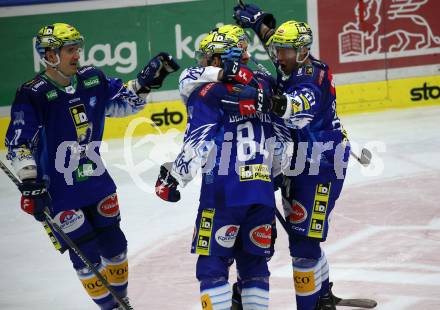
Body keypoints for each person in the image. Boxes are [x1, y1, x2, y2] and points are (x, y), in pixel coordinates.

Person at [5, 22, 179, 310]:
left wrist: (145, 84)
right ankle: (110, 309)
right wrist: (30, 183)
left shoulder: (91, 79)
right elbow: (18, 142)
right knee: (84, 255)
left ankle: (121, 301)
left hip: (96, 180)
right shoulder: (32, 94)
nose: (77, 55)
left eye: (77, 49)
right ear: (50, 55)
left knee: (115, 245)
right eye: (70, 50)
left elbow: (123, 104)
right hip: (58, 191)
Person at [228, 4, 351, 310]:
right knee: (303, 237)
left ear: (303, 51)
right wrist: (258, 25)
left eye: (284, 51)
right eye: (278, 50)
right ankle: (321, 296)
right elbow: (274, 45)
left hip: (323, 165)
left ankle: (313, 304)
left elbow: (296, 110)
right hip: (298, 164)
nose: (277, 56)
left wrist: (267, 100)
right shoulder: (292, 61)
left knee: (303, 245)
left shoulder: (312, 76)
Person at [155, 29, 289, 310]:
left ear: (218, 58)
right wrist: (276, 176)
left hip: (222, 194)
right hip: (261, 191)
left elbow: (198, 140)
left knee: (212, 266)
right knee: (254, 267)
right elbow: (280, 138)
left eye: (206, 57)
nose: (201, 63)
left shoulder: (206, 92)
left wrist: (175, 177)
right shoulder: (264, 83)